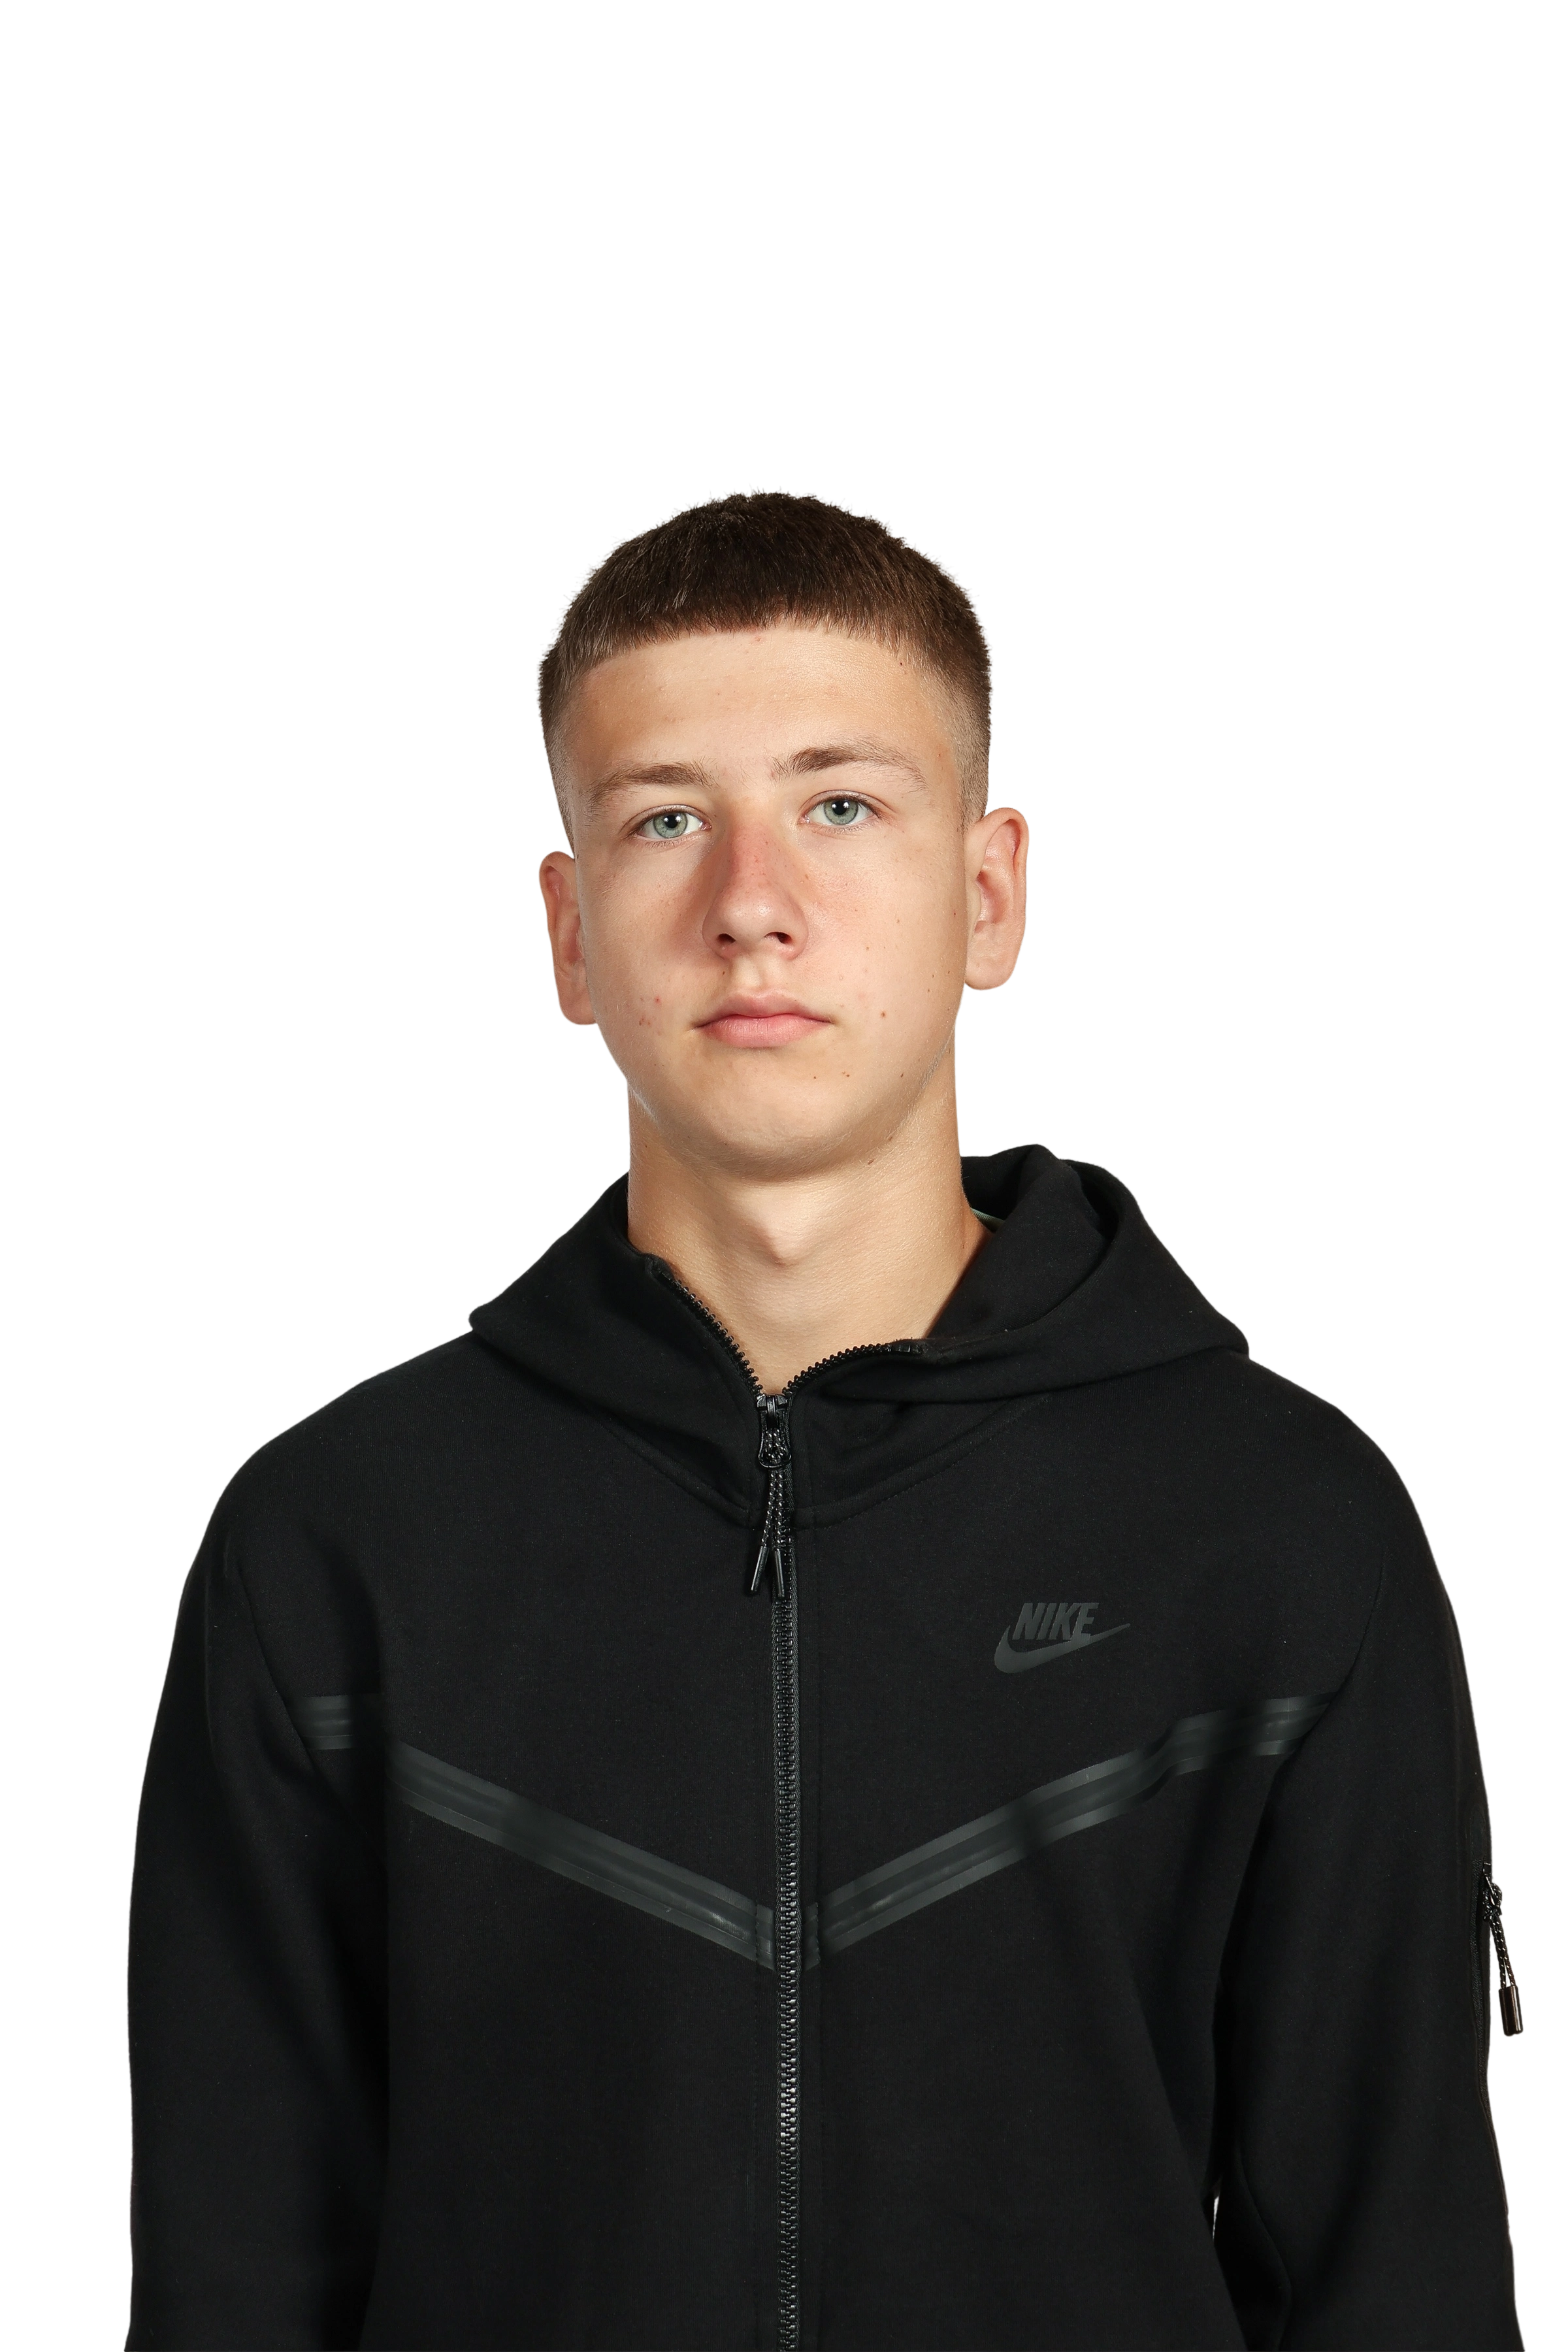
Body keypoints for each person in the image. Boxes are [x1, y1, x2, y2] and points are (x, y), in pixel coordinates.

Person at [125, 484, 1524, 2351]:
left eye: (841, 806)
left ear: (989, 893)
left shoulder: (1284, 1525)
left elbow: (1398, 2282)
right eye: (665, 818)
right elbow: (230, 2288)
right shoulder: (334, 1548)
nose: (751, 906)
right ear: (566, 930)